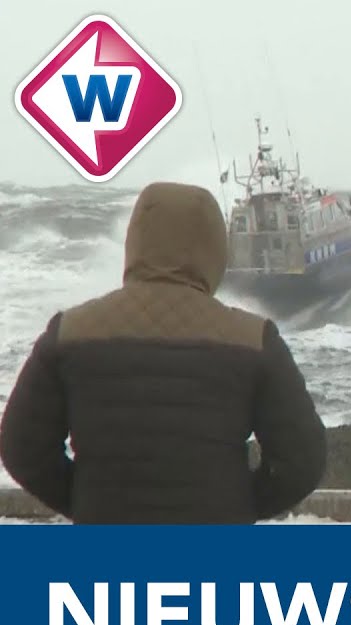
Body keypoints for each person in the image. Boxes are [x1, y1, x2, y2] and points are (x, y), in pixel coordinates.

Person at [0, 182, 327, 524]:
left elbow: (21, 448)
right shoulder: (255, 339)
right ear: (216, 249)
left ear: (135, 240)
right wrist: (236, 507)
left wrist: (86, 502)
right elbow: (302, 461)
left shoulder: (69, 332)